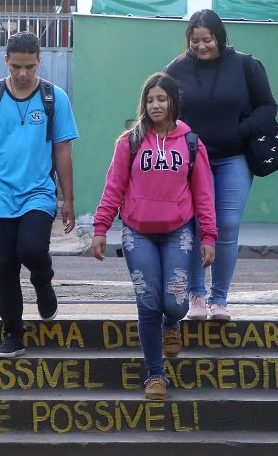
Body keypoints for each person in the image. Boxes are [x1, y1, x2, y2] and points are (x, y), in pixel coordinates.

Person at [91, 73, 216, 401]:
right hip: (137, 233)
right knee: (148, 301)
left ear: (173, 102)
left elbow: (204, 193)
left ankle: (171, 324)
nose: (156, 105)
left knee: (174, 303)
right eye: (150, 100)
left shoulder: (191, 143)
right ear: (144, 104)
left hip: (179, 232)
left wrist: (208, 236)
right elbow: (113, 188)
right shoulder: (129, 143)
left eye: (162, 99)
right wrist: (101, 228)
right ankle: (155, 374)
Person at [0, 32, 79, 358]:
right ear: (6, 62)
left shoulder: (55, 98)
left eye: (29, 66)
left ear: (40, 61)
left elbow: (63, 151)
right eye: (16, 66)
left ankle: (43, 282)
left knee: (31, 250)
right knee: (5, 264)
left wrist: (68, 200)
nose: (23, 73)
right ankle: (13, 332)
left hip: (39, 191)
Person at [164, 8, 277, 321]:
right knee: (197, 225)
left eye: (207, 40)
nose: (201, 47)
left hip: (233, 159)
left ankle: (219, 300)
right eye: (195, 41)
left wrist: (240, 130)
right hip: (191, 162)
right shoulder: (177, 69)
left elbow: (268, 107)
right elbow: (161, 106)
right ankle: (196, 296)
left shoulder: (246, 65)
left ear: (220, 37)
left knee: (226, 226)